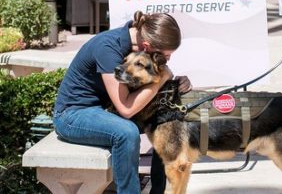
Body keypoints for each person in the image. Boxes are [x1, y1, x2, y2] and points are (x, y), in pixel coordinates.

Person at [53, 11, 192, 193]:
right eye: (166, 56)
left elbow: (152, 77)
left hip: (104, 110)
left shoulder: (138, 46)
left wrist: (178, 83)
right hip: (72, 115)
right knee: (126, 133)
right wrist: (160, 79)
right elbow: (127, 108)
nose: (168, 61)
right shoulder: (108, 48)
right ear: (147, 46)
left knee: (167, 120)